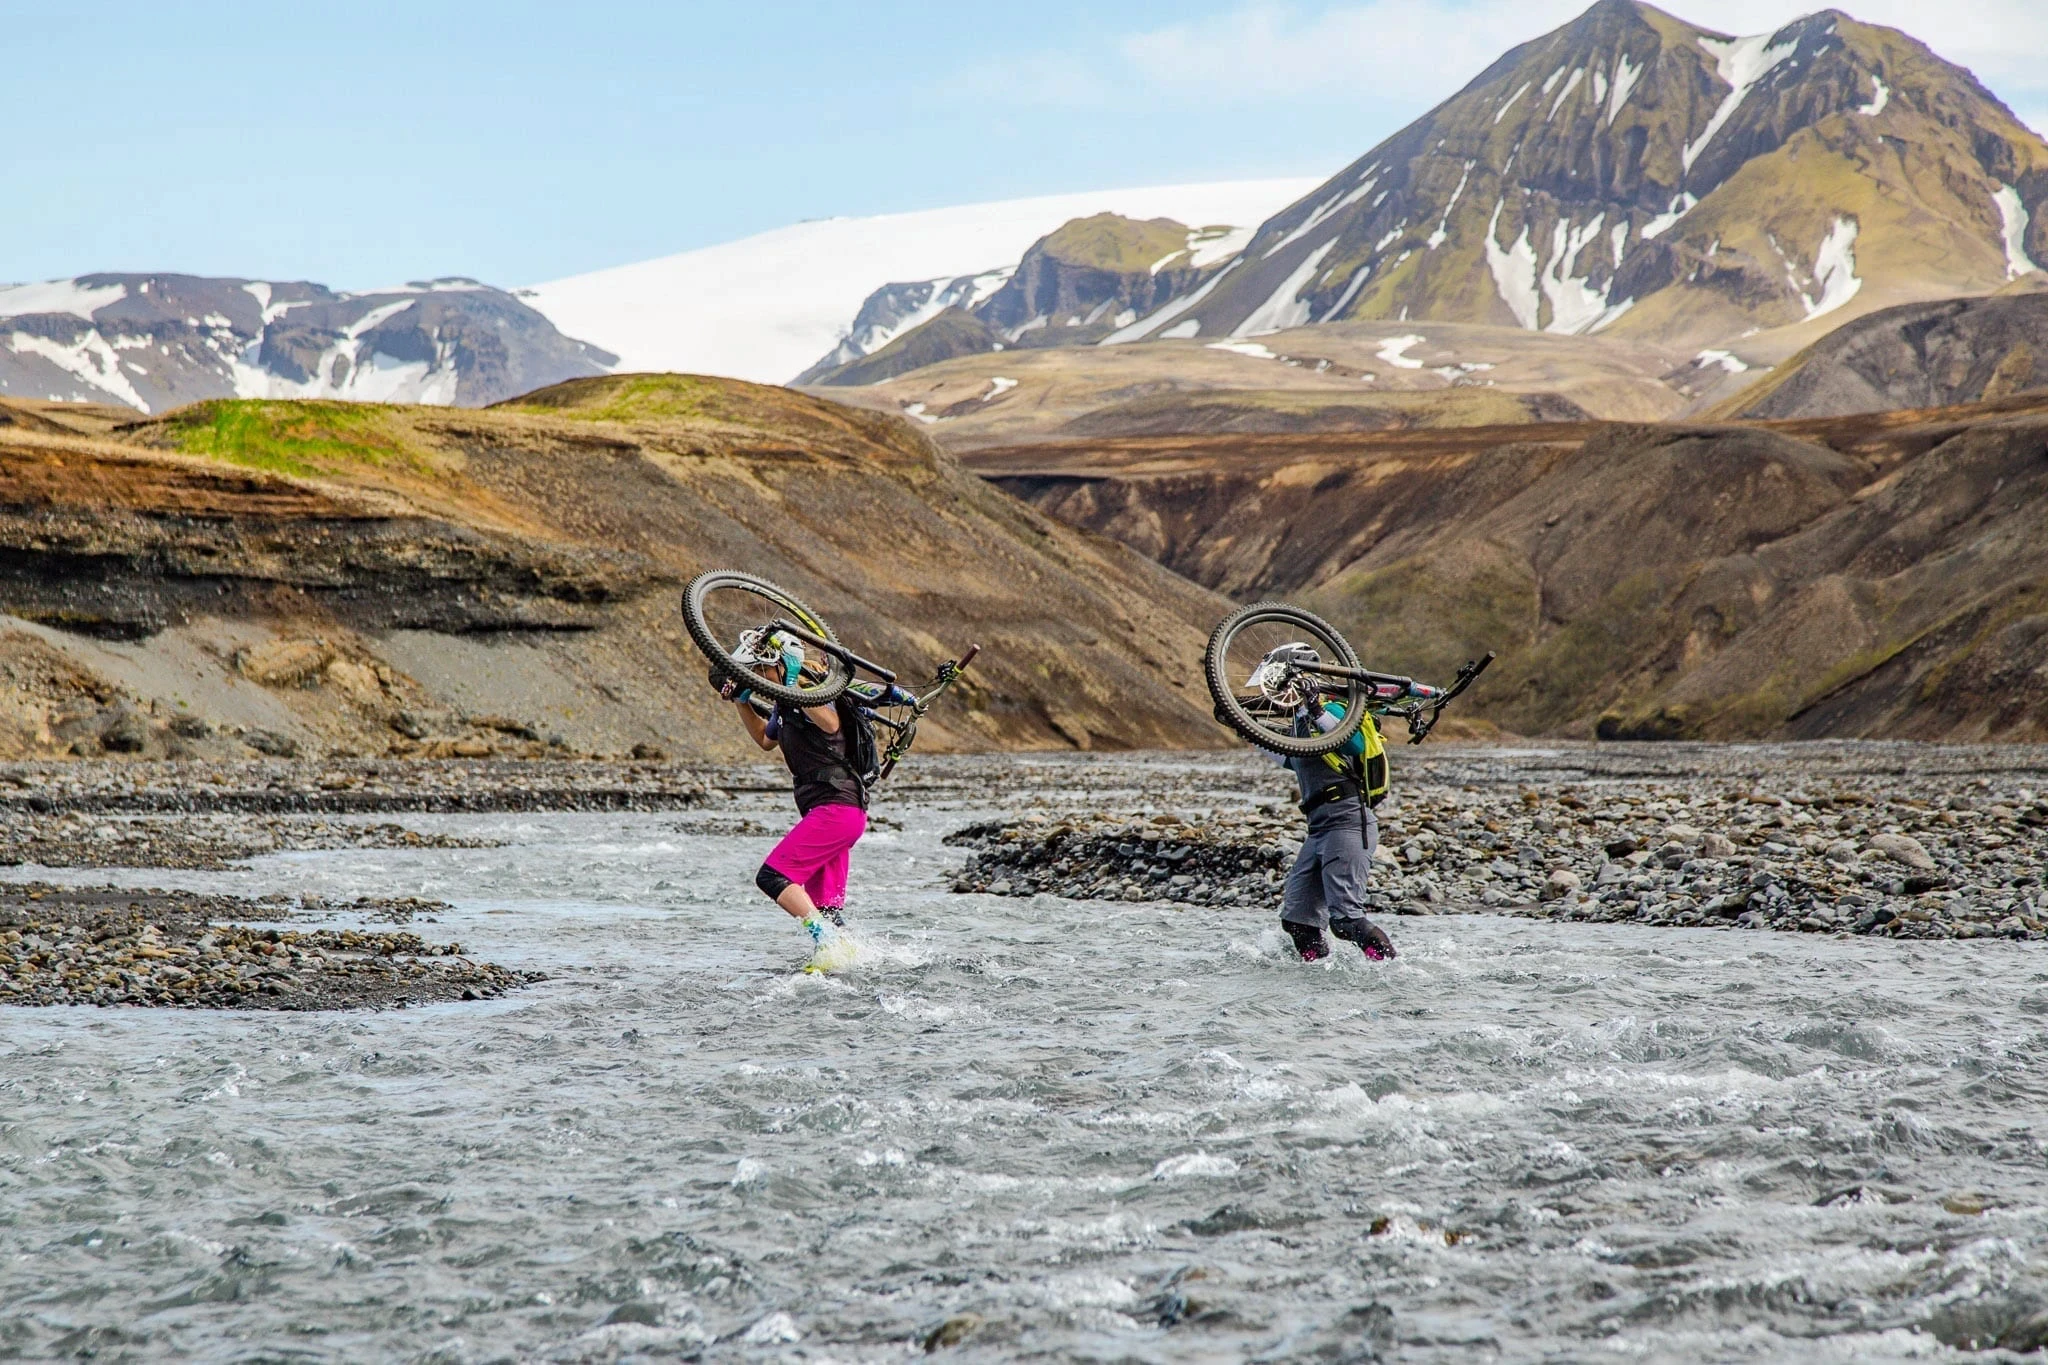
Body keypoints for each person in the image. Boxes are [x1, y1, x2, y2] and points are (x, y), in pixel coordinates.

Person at [1247, 643, 1440, 963]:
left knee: (1345, 921)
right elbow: (1290, 760)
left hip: (1348, 821)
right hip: (1319, 826)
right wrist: (1246, 730)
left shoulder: (1334, 710)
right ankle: (1317, 972)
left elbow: (1353, 743)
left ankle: (1395, 970)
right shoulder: (1299, 722)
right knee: (1297, 921)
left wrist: (1316, 708)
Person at [714, 631, 877, 951]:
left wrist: (791, 687)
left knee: (772, 877)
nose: (757, 678)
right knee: (827, 910)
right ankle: (850, 957)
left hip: (837, 808)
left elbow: (830, 724)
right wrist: (741, 701)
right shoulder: (784, 706)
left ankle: (829, 944)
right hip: (836, 813)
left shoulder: (814, 691)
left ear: (783, 665)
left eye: (761, 671)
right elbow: (765, 739)